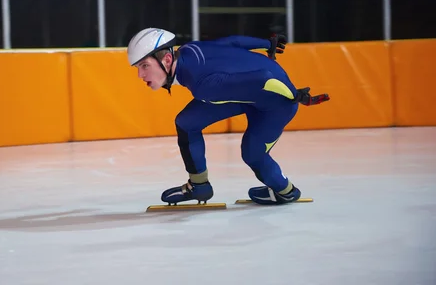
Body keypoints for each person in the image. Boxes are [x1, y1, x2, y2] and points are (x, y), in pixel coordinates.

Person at [127, 28, 329, 205]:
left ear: (167, 59)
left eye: (145, 66)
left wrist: (295, 95)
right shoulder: (189, 50)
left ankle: (286, 192)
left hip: (276, 102)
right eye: (138, 68)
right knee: (187, 122)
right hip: (247, 93)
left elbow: (263, 79)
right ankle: (199, 186)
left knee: (252, 154)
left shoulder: (203, 85)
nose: (140, 75)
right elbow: (231, 43)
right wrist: (267, 44)